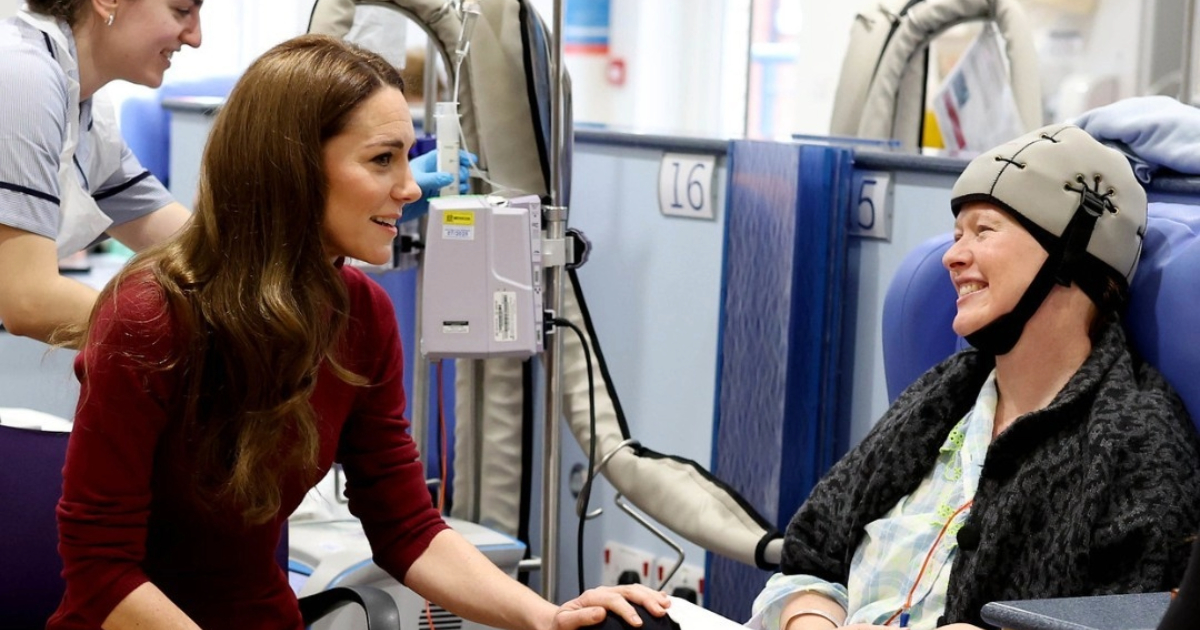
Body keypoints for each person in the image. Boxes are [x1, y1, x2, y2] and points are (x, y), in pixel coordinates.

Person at [47, 34, 669, 629]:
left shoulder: (361, 315)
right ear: (294, 168)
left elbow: (407, 527)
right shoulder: (150, 316)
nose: (409, 186)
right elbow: (102, 572)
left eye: (406, 156)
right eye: (382, 159)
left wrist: (546, 615)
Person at [748, 125, 1200, 630]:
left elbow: (1135, 618)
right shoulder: (941, 395)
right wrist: (811, 619)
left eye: (984, 231)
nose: (952, 256)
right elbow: (811, 557)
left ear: (1072, 250)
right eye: (957, 235)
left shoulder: (1136, 439)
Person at [0, 0, 199, 344]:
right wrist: (198, 338)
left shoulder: (83, 108)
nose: (195, 37)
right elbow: (29, 301)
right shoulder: (23, 74)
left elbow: (196, 249)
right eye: (181, 10)